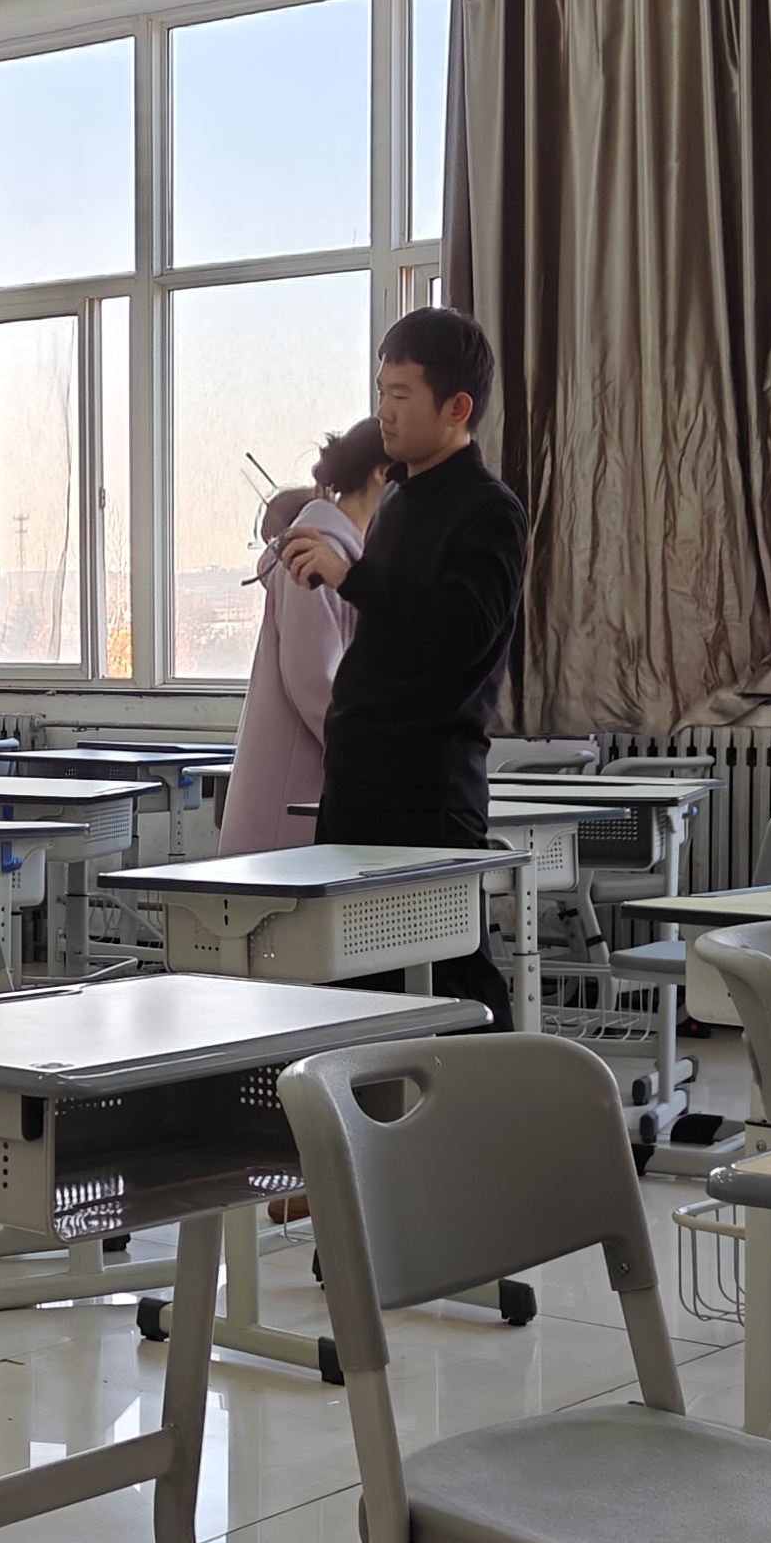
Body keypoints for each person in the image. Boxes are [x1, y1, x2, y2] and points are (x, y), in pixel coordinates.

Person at [278, 306, 526, 1031]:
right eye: (381, 392)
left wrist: (352, 577)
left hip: (427, 789)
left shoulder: (489, 511)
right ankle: (373, 1102)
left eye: (401, 394)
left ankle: (513, 1096)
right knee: (355, 981)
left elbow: (461, 634)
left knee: (457, 978)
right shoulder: (398, 501)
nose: (383, 412)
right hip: (361, 780)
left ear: (457, 408)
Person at [220, 418, 386, 858]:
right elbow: (315, 682)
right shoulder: (315, 554)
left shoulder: (345, 554)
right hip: (292, 800)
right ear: (382, 473)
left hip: (317, 791)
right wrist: (382, 760)